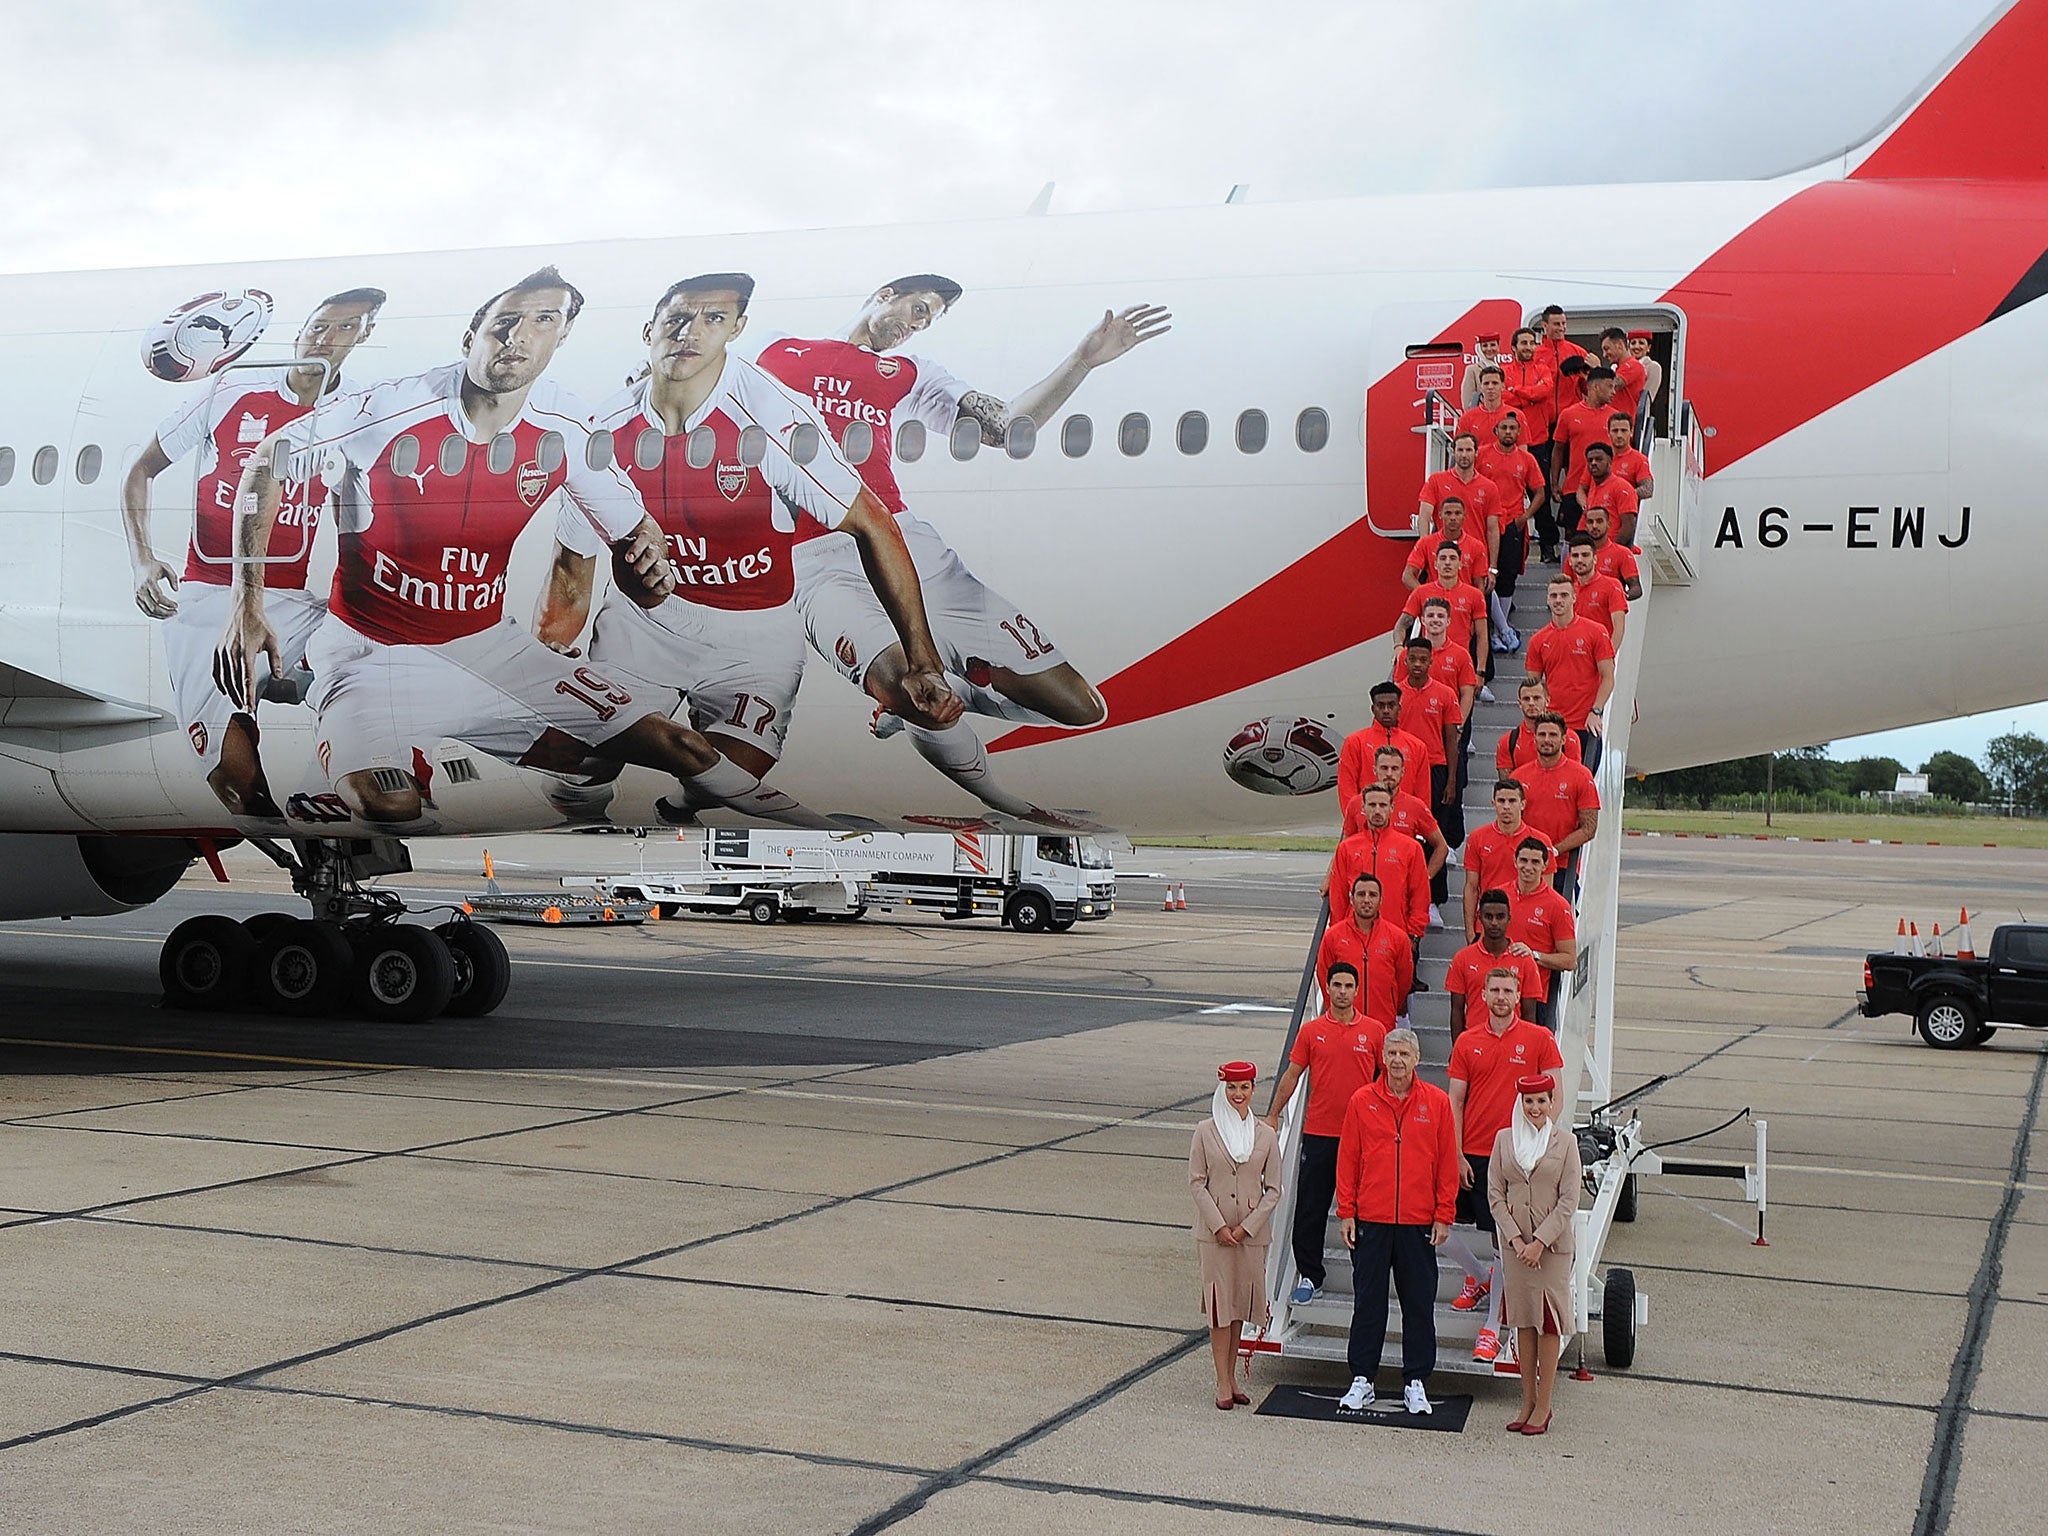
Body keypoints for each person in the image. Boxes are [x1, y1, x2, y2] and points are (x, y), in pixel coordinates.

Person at [214, 268, 760, 830]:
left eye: (543, 321)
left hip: (485, 644)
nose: (518, 337)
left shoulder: (563, 421)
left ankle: (579, 805)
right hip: (371, 648)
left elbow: (633, 529)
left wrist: (646, 551)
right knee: (388, 805)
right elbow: (267, 462)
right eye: (505, 322)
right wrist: (246, 602)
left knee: (640, 750)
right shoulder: (390, 407)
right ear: (473, 334)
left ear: (561, 337)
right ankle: (338, 712)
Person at [542, 273, 955, 829]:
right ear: (650, 330)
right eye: (678, 319)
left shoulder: (772, 419)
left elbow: (875, 525)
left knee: (731, 775)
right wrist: (552, 652)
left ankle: (678, 809)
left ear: (736, 331)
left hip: (753, 632)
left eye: (714, 320)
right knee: (578, 759)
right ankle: (581, 816)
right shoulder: (603, 432)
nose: (691, 333)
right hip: (647, 626)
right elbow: (572, 568)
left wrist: (922, 662)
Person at [755, 277, 1169, 823]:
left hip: (910, 545)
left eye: (929, 319)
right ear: (886, 294)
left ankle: (939, 691)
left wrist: (1082, 362)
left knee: (1080, 708)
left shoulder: (912, 374)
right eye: (917, 308)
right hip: (820, 558)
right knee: (914, 691)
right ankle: (989, 786)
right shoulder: (777, 351)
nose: (917, 323)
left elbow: (1005, 429)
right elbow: (693, 388)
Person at [123, 286, 385, 817]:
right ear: (301, 328)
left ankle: (319, 788)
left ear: (364, 336)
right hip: (208, 601)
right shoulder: (233, 391)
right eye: (319, 325)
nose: (326, 338)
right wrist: (143, 560)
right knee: (235, 783)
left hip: (290, 602)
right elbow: (141, 470)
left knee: (384, 671)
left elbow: (357, 522)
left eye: (345, 328)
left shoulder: (355, 411)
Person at [1335, 1027, 1458, 1415]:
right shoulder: (1361, 1101)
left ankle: (1416, 1380)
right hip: (1371, 1220)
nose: (1398, 1061)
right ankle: (1362, 1379)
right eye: (1392, 1054)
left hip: (1418, 1223)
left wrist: (1444, 1214)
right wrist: (1347, 1211)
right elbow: (1348, 1158)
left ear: (1417, 1059)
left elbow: (1446, 1164)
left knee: (1418, 1304)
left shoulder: (1436, 1104)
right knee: (1368, 1302)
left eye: (1405, 1054)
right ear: (1382, 1058)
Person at [1447, 969, 1563, 1362]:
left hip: (1515, 1157)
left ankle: (1492, 1328)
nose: (1500, 996)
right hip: (1474, 1152)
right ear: (1482, 994)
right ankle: (1481, 1278)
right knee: (1437, 1227)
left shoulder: (1538, 1038)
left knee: (1504, 1241)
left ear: (1519, 996)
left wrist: (1539, 1150)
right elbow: (1455, 1101)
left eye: (1507, 991)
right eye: (1494, 990)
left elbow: (1554, 1097)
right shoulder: (1467, 1041)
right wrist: (1456, 1152)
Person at [1265, 964, 1387, 1303]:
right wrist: (1273, 1114)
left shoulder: (1375, 1031)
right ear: (1328, 988)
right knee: (1310, 1209)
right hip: (1319, 1133)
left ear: (1357, 990)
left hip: (1362, 1138)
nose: (1343, 991)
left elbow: (1387, 1083)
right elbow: (1292, 1076)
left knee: (1364, 1210)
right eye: (1337, 985)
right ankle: (1310, 1275)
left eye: (1349, 985)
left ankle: (1365, 1275)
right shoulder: (1311, 1031)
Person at [1489, 1076, 1583, 1434]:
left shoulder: (1566, 1143)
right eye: (1529, 1102)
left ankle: (1544, 1405)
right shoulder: (1504, 1140)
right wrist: (1515, 1240)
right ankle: (1526, 1400)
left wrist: (1540, 1242)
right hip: (1517, 1250)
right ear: (1520, 1104)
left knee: (1548, 1322)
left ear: (1551, 1103)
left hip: (1552, 1250)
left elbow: (1568, 1200)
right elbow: (1496, 1195)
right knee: (1523, 1322)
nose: (1535, 1109)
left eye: (1541, 1102)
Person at [1191, 1060, 1284, 1409]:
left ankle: (1232, 1378)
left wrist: (1248, 1226)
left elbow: (1274, 1189)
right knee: (1219, 1309)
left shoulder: (1265, 1135)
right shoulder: (1204, 1131)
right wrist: (1218, 1225)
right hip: (1215, 1236)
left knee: (1239, 1309)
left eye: (1244, 1088)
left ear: (1253, 1090)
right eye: (1232, 1088)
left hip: (1250, 1236)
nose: (1238, 1095)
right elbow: (1196, 1183)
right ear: (1222, 1090)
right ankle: (1221, 1382)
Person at [1524, 574, 1615, 771]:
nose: (1558, 600)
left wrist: (1596, 711)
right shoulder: (1538, 640)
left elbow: (1608, 678)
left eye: (1564, 595)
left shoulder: (1596, 632)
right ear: (1547, 599)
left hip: (1586, 724)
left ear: (1574, 598)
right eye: (1554, 595)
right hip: (1553, 726)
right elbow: (1533, 685)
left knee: (1582, 783)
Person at [1327, 785, 1431, 957]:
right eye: (1372, 805)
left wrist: (1413, 934)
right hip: (1353, 936)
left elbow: (1420, 894)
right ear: (1363, 808)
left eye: (1382, 805)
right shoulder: (1347, 848)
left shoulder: (1411, 848)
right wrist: (1338, 931)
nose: (1377, 810)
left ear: (1392, 808)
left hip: (1396, 937)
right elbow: (1338, 895)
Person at [1519, 714, 1600, 899]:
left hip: (1562, 866)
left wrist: (1553, 851)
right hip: (1525, 867)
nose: (1547, 740)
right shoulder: (1519, 777)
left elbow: (1589, 828)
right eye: (1542, 734)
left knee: (1560, 925)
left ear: (1564, 739)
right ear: (1535, 737)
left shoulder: (1581, 776)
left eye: (1553, 735)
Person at [1462, 780, 1556, 939]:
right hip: (1488, 924)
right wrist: (1470, 932)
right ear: (1493, 803)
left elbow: (1546, 890)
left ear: (1523, 804)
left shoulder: (1541, 841)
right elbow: (1471, 887)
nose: (1506, 806)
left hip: (1526, 925)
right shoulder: (1477, 838)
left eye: (1512, 801)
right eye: (1501, 801)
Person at [1446, 890, 1546, 1039]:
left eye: (1500, 917)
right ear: (1479, 918)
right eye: (1488, 917)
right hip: (1474, 1042)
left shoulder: (1524, 960)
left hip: (1512, 1042)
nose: (1494, 923)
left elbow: (1529, 1014)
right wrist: (1457, 1048)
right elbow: (1457, 1010)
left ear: (1509, 918)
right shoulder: (1463, 958)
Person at [1319, 873, 1416, 1025]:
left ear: (1381, 900)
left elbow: (1404, 980)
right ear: (1351, 899)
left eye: (1372, 895)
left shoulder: (1398, 938)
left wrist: (1390, 1004)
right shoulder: (1333, 936)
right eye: (1361, 894)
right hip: (1343, 1023)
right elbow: (1324, 974)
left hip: (1383, 1024)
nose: (1366, 900)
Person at [1507, 838, 1579, 1028]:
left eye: (1535, 862)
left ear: (1545, 865)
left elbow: (1570, 960)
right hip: (1499, 992)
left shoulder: (1557, 906)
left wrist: (1535, 955)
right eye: (1523, 860)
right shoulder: (1500, 896)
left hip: (1534, 997)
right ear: (1515, 862)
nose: (1528, 867)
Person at [1375, 741, 1451, 921]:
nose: (1389, 774)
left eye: (1394, 769)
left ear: (1403, 772)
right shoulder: (1358, 804)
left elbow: (1441, 846)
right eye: (1384, 768)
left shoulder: (1415, 806)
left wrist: (1423, 879)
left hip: (1402, 895)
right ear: (1375, 770)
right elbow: (1345, 844)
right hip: (1368, 893)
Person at [1477, 409, 1545, 604]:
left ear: (1518, 432)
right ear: (1495, 430)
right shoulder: (1481, 455)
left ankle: (1502, 625)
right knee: (1483, 572)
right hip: (1485, 524)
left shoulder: (1526, 459)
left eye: (1512, 428)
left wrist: (1525, 517)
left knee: (1508, 573)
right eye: (1504, 427)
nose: (1508, 431)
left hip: (1512, 523)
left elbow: (1540, 492)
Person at [1337, 681, 1429, 825]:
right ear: (1373, 709)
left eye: (1391, 705)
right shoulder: (1355, 742)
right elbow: (1346, 787)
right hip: (1367, 824)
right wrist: (1358, 819)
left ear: (1399, 708)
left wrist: (1417, 822)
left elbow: (1423, 793)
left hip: (1404, 825)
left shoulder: (1417, 746)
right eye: (1381, 706)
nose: (1386, 710)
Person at [1550, 367, 1620, 539]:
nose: (1613, 392)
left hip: (1606, 488)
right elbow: (1558, 450)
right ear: (1595, 387)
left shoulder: (1616, 419)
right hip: (1573, 487)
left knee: (1605, 536)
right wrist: (1554, 483)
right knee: (1572, 538)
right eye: (1609, 387)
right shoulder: (1568, 414)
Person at [1396, 549, 1488, 668]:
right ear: (1435, 564)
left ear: (1460, 564)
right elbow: (1402, 624)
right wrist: (1398, 646)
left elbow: (1482, 635)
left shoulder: (1474, 595)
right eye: (1443, 558)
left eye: (1453, 558)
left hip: (1459, 663)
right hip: (1426, 662)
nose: (1447, 563)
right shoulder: (1420, 592)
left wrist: (1481, 669)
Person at [1417, 431, 1499, 539]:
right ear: (1453, 452)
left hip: (1476, 553)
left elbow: (1492, 529)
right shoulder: (1436, 481)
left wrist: (1491, 557)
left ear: (1476, 453)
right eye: (1460, 450)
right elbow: (1424, 517)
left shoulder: (1489, 487)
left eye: (1469, 450)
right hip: (1445, 551)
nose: (1464, 455)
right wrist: (1426, 549)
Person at [1496, 677, 1582, 777]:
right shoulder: (1507, 742)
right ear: (1520, 703)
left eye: (1536, 698)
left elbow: (1575, 777)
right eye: (1526, 699)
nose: (1531, 703)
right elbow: (1507, 787)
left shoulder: (1569, 738)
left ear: (1547, 701)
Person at [1400, 497, 1489, 592]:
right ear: (1440, 515)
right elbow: (1407, 576)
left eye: (1457, 513)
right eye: (1448, 513)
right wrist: (1426, 595)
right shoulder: (1426, 543)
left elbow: (1479, 586)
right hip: (1435, 604)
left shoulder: (1476, 546)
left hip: (1462, 604)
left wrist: (1470, 601)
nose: (1453, 518)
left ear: (1464, 516)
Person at [1564, 534, 1630, 649]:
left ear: (1595, 559)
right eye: (1575, 555)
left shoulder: (1612, 586)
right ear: (1569, 560)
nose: (1580, 560)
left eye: (1585, 555)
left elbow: (1619, 627)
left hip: (1600, 658)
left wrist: (1608, 658)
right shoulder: (1568, 591)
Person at [1579, 444, 1641, 559]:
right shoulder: (1593, 487)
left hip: (1611, 555)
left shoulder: (1622, 487)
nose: (1593, 463)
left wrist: (1612, 552)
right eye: (1590, 460)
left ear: (1610, 462)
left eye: (1599, 459)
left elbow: (1628, 526)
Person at [1582, 502, 1644, 599]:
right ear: (1585, 526)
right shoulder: (1576, 554)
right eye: (1590, 522)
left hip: (1610, 612)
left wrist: (1621, 597)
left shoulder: (1622, 553)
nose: (1594, 526)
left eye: (1599, 521)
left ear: (1608, 524)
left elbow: (1636, 588)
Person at [1596, 326, 1649, 423]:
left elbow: (1612, 386)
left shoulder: (1633, 365)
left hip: (1622, 426)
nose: (1604, 354)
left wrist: (1596, 369)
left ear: (1620, 344)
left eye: (1607, 349)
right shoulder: (1618, 368)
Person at [1457, 366, 1519, 446]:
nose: (1490, 387)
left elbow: (1522, 452)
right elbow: (1460, 451)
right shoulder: (1467, 418)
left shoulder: (1517, 416)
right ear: (1481, 387)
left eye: (1495, 383)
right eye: (1486, 383)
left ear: (1503, 386)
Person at [1459, 331, 1505, 408]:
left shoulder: (1502, 369)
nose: (1489, 349)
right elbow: (1467, 401)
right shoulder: (1472, 370)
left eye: (1493, 345)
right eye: (1485, 346)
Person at [1627, 330, 1663, 419]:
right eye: (1633, 343)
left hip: (1638, 416)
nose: (1636, 346)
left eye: (1641, 343)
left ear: (1648, 347)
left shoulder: (1653, 367)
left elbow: (1647, 398)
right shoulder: (1621, 366)